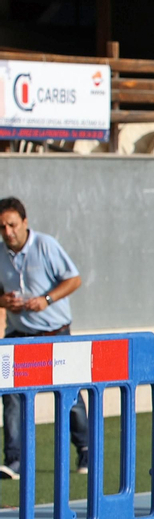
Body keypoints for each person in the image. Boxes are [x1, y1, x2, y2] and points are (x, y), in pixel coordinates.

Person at [0, 196, 87, 478]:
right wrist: (4, 302)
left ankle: (85, 450)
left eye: (12, 225)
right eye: (2, 227)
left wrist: (46, 299)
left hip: (55, 332)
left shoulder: (45, 245)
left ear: (25, 222)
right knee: (11, 396)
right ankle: (14, 460)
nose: (8, 232)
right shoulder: (0, 253)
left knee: (69, 395)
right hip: (17, 334)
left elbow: (74, 279)